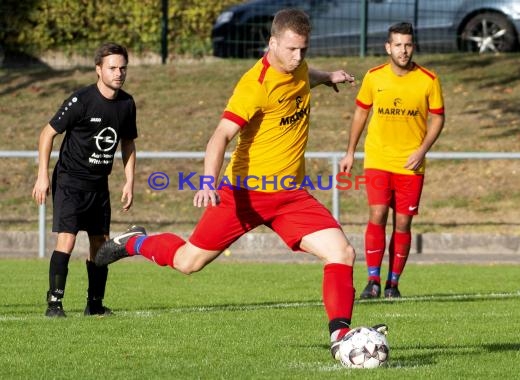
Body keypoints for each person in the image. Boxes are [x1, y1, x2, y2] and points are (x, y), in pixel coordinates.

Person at [95, 9, 385, 360]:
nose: (298, 57)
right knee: (188, 262)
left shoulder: (300, 68)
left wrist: (328, 76)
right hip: (243, 194)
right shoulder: (255, 85)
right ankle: (135, 242)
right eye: (291, 50)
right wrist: (207, 181)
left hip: (291, 196)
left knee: (341, 252)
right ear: (272, 43)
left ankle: (340, 336)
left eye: (304, 50)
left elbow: (304, 77)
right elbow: (220, 136)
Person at [32, 42, 138, 317]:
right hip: (70, 181)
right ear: (98, 70)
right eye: (112, 68)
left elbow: (127, 143)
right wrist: (42, 175)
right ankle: (54, 304)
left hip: (98, 184)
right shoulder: (81, 100)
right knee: (66, 240)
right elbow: (47, 134)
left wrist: (129, 181)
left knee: (100, 245)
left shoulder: (127, 104)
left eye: (122, 68)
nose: (119, 73)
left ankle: (94, 305)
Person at [339, 22, 445, 299]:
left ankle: (393, 284)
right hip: (378, 158)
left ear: (413, 47)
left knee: (403, 224)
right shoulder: (374, 77)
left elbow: (438, 118)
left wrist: (422, 150)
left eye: (408, 44)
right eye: (398, 44)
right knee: (377, 214)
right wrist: (350, 151)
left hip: (411, 164)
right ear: (388, 47)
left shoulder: (428, 79)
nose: (403, 50)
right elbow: (361, 113)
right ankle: (373, 280)